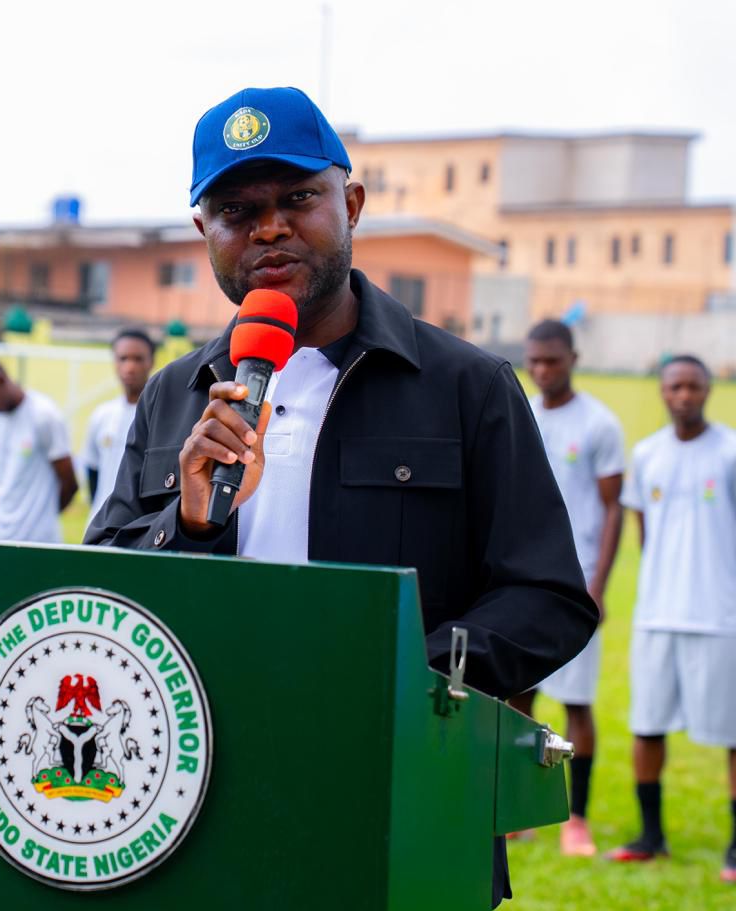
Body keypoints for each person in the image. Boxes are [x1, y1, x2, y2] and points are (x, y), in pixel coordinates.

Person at [84, 85, 596, 908]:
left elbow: (548, 597)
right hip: (193, 804)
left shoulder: (466, 386)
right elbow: (100, 593)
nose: (269, 228)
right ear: (203, 232)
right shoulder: (176, 394)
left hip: (399, 800)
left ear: (350, 204)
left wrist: (398, 679)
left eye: (297, 199)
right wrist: (185, 523)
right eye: (237, 210)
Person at [609, 355, 736, 884]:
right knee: (647, 726)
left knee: (732, 734)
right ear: (662, 391)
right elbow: (646, 534)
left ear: (708, 390)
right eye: (675, 387)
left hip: (721, 617)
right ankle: (651, 836)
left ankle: (735, 847)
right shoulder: (647, 454)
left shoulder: (730, 451)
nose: (684, 395)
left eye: (693, 386)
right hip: (657, 614)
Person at [506, 319, 624, 856]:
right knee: (517, 698)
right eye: (534, 360)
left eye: (552, 360)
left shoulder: (599, 424)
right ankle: (519, 812)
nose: (542, 369)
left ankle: (578, 819)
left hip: (576, 586)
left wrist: (597, 585)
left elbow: (613, 508)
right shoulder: (520, 411)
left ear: (573, 358)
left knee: (577, 702)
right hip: (523, 583)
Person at [0, 356, 77, 543]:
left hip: (37, 541)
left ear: (1, 380)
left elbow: (69, 483)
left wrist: (43, 517)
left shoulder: (44, 414)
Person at [82, 328, 156, 529]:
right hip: (100, 527)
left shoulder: (160, 416)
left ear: (151, 362)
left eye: (138, 359)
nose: (130, 367)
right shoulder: (102, 415)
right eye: (123, 358)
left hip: (140, 529)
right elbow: (93, 472)